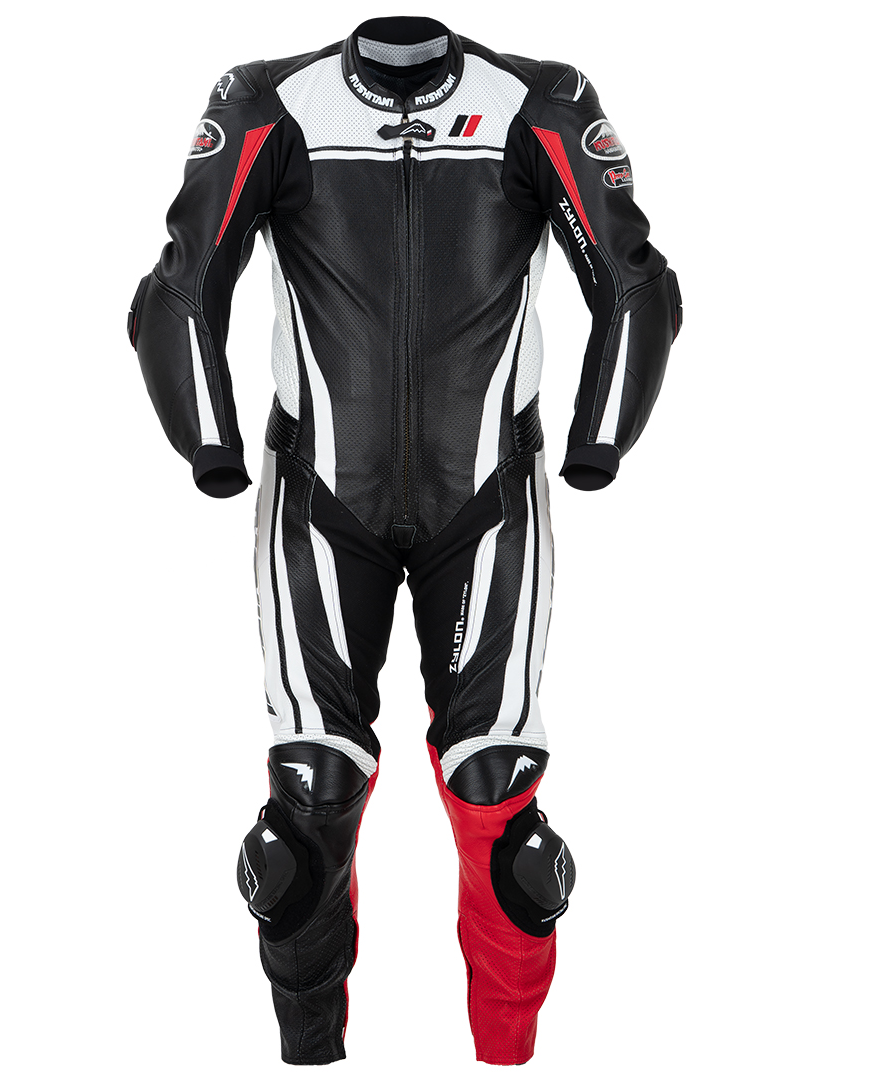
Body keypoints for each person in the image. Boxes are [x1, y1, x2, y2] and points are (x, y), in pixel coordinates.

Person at [128, 15, 681, 1066]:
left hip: (488, 500)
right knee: (307, 804)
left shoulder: (540, 99)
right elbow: (181, 286)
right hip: (320, 501)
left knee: (501, 801)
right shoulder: (268, 100)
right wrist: (210, 443)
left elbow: (635, 281)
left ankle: (505, 1051)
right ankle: (311, 1049)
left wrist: (599, 439)